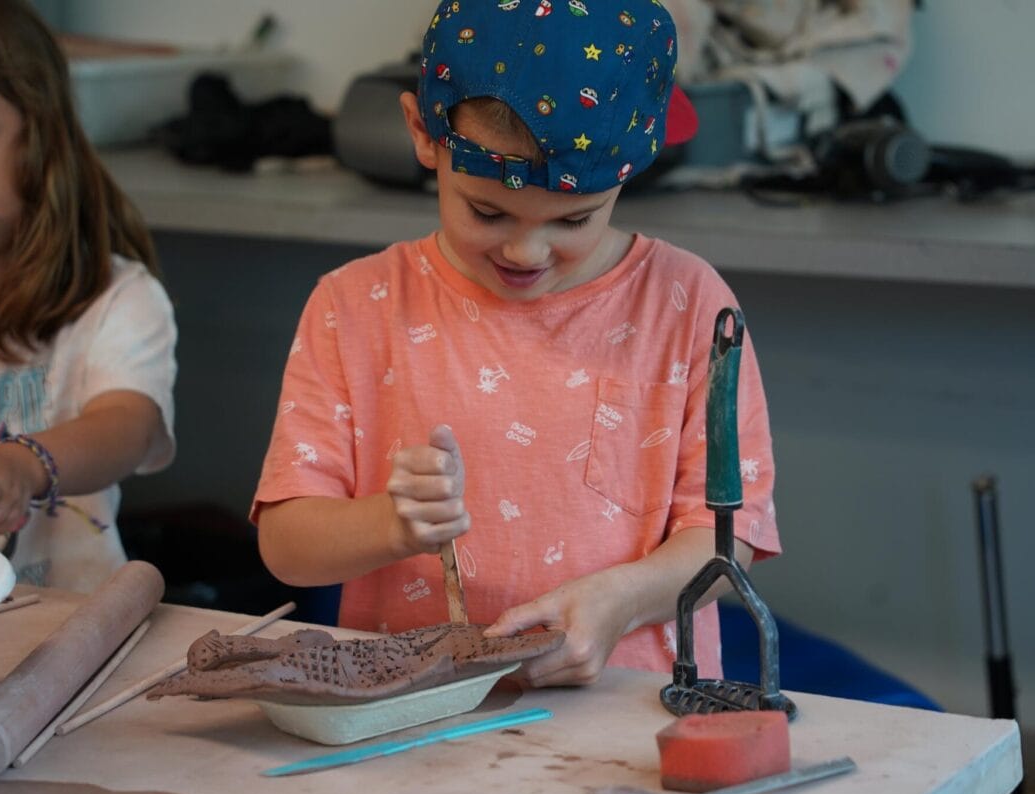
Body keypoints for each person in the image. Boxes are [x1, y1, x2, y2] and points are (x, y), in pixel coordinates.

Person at [254, 0, 780, 687]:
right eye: (487, 211)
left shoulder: (687, 306)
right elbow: (286, 546)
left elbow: (727, 538)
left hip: (625, 715)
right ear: (422, 134)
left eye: (573, 220)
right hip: (411, 717)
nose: (526, 250)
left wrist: (619, 604)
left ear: (629, 174)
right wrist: (390, 524)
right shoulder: (356, 306)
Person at [0, 0, 177, 592]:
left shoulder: (118, 299)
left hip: (64, 623)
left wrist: (26, 463)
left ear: (43, 127)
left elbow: (126, 427)